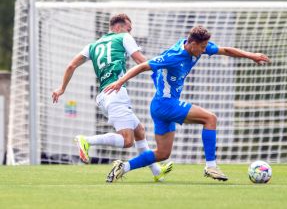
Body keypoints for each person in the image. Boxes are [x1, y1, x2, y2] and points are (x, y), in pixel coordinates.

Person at [103, 25, 270, 183]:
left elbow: (225, 50)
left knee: (162, 153)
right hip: (165, 104)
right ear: (192, 44)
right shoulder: (173, 56)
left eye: (206, 46)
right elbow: (143, 66)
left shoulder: (197, 46)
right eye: (202, 47)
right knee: (210, 119)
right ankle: (211, 166)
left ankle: (123, 167)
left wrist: (251, 55)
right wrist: (120, 81)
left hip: (160, 106)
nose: (204, 50)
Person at [52, 13, 172, 182]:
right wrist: (161, 71)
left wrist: (61, 88)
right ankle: (86, 140)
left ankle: (156, 171)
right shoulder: (123, 37)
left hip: (103, 96)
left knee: (139, 131)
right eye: (129, 29)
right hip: (116, 93)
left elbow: (71, 65)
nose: (130, 32)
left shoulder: (92, 45)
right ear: (118, 27)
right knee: (127, 140)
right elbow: (140, 61)